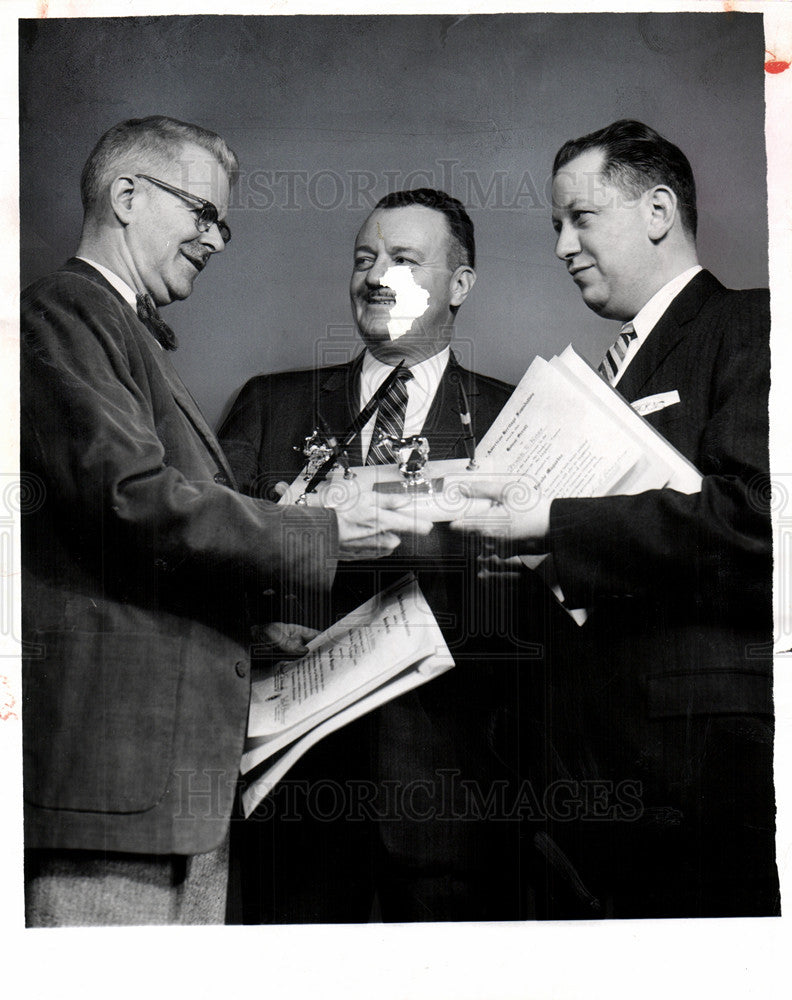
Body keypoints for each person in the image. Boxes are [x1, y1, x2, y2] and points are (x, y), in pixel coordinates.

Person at [21, 115, 428, 927]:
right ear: (127, 197)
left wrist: (254, 635)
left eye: (222, 221)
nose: (215, 238)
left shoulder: (121, 327)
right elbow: (130, 500)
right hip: (120, 788)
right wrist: (320, 531)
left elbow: (138, 557)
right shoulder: (66, 312)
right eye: (201, 212)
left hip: (169, 793)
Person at [452, 119, 778, 918]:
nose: (562, 245)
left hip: (700, 752)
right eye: (556, 226)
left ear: (658, 211)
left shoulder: (753, 325)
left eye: (581, 218)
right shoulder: (605, 368)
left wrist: (552, 525)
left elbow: (763, 518)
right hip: (591, 763)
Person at [219, 188, 539, 922]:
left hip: (458, 797)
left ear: (459, 285)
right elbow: (205, 554)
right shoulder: (271, 406)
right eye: (365, 259)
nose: (374, 276)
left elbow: (548, 610)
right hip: (292, 794)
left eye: (403, 259)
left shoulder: (511, 418)